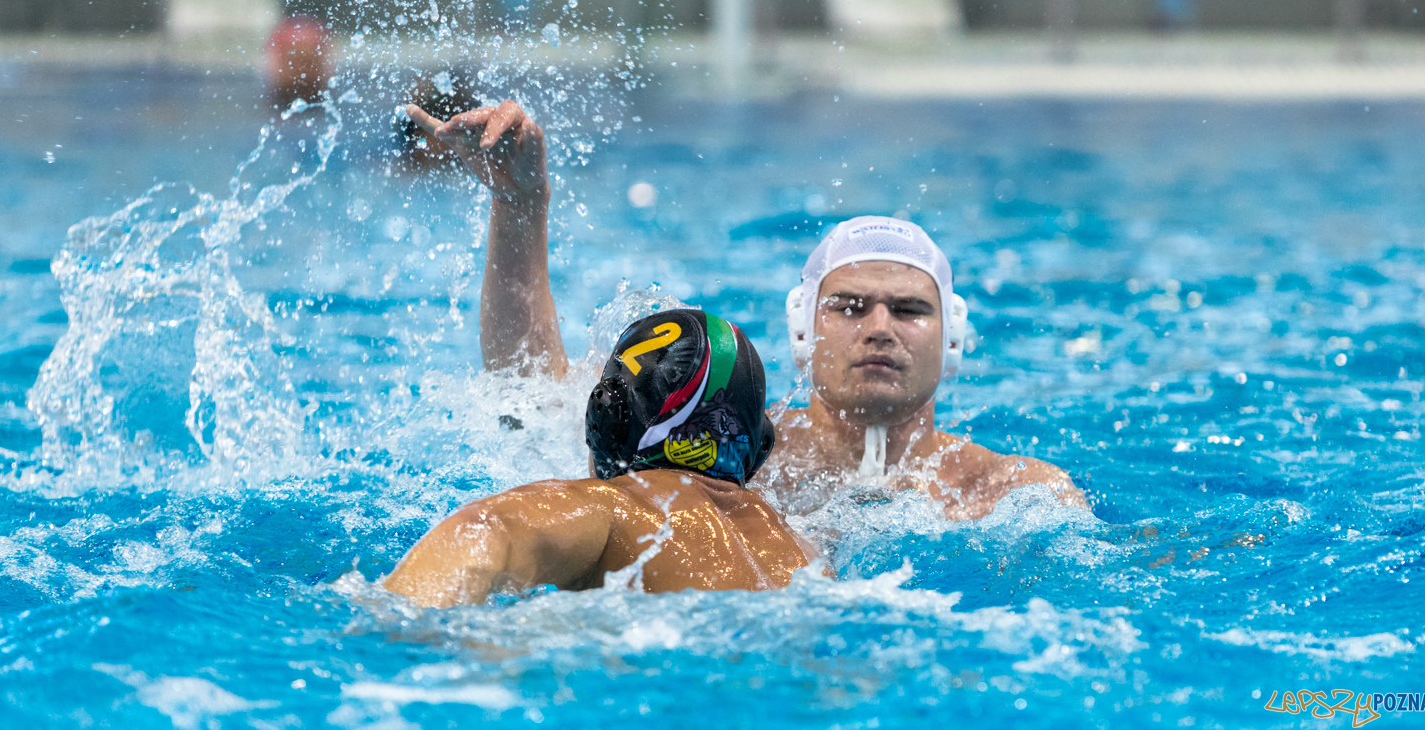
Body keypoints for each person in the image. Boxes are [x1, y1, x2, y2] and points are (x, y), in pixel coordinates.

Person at [402, 99, 1089, 521]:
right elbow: (532, 392)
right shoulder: (722, 440)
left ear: (954, 338)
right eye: (850, 306)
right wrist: (521, 207)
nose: (880, 326)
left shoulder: (1016, 492)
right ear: (802, 329)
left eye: (909, 309)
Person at [383, 309, 812, 607]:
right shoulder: (803, 551)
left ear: (607, 422)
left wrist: (390, 630)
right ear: (757, 449)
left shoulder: (616, 508)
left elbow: (481, 529)